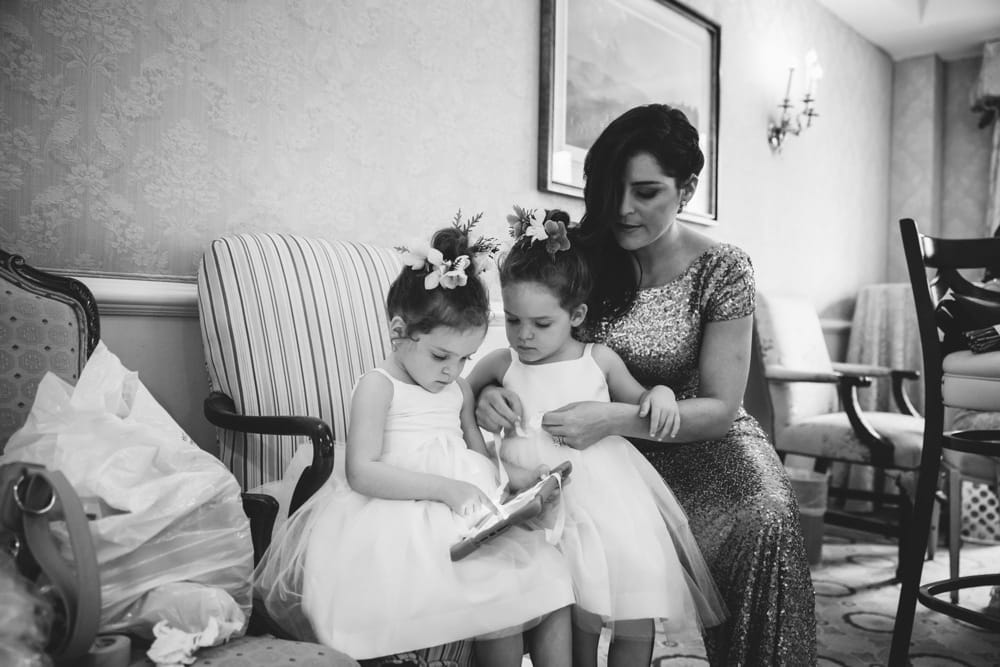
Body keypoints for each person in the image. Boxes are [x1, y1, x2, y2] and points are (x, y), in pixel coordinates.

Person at [476, 104, 817, 665]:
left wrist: (615, 417)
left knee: (766, 518)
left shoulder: (723, 267)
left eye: (647, 192)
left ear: (686, 189)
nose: (625, 209)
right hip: (591, 458)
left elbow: (721, 407)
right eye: (614, 190)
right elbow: (521, 350)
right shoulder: (577, 255)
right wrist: (493, 393)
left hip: (705, 449)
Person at [253, 220, 575, 665]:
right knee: (492, 587)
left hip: (467, 512)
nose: (452, 370)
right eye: (442, 356)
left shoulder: (459, 389)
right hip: (398, 514)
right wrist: (445, 489)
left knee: (544, 585)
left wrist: (522, 483)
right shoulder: (378, 386)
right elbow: (361, 472)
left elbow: (480, 460)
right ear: (398, 331)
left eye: (465, 358)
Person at [467, 207, 727, 667]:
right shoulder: (502, 363)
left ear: (577, 314)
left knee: (633, 612)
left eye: (542, 324)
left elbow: (643, 401)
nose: (524, 336)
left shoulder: (598, 359)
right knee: (577, 617)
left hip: (606, 501)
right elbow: (456, 398)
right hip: (539, 511)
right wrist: (484, 401)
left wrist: (664, 392)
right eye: (512, 320)